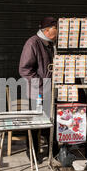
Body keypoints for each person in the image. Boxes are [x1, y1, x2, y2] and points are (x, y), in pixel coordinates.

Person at [19, 17, 58, 162]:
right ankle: (33, 153)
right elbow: (24, 69)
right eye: (56, 29)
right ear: (47, 30)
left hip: (50, 91)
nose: (58, 32)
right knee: (34, 126)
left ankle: (53, 151)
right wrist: (42, 84)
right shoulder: (33, 43)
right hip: (37, 93)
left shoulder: (51, 44)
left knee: (49, 123)